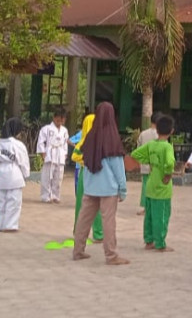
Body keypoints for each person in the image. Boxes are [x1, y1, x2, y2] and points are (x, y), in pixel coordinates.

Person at [73, 102, 129, 265]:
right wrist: (123, 189)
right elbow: (118, 168)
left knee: (84, 219)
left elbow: (84, 160)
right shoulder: (112, 138)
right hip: (108, 189)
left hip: (90, 187)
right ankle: (111, 255)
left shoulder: (90, 137)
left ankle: (78, 250)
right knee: (108, 222)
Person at [131, 114, 176, 252]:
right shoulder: (167, 147)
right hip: (162, 186)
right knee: (162, 215)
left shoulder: (151, 145)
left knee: (149, 215)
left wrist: (150, 162)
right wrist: (168, 173)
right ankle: (160, 243)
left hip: (150, 184)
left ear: (156, 130)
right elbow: (170, 162)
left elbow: (135, 154)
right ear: (171, 131)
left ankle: (148, 241)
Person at [71, 114, 103, 243]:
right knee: (98, 203)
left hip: (85, 173)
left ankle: (77, 231)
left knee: (81, 203)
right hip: (98, 174)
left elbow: (74, 156)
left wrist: (85, 161)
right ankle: (99, 233)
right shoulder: (101, 141)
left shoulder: (83, 141)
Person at [0, 118, 30, 232]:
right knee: (13, 201)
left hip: (1, 172)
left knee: (1, 201)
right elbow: (23, 161)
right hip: (14, 173)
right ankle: (10, 225)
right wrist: (25, 174)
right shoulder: (18, 145)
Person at [36, 108, 69, 203]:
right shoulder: (46, 129)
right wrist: (43, 153)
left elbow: (65, 143)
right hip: (50, 153)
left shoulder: (64, 130)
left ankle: (55, 196)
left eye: (62, 120)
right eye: (58, 120)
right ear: (54, 118)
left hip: (60, 153)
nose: (59, 122)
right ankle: (45, 196)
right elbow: (41, 141)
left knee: (58, 177)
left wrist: (65, 153)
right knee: (47, 176)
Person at [135, 112, 162, 216]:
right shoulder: (160, 135)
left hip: (145, 165)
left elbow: (138, 149)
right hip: (157, 166)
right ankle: (155, 208)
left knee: (146, 186)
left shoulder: (143, 134)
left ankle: (146, 207)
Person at [68, 129, 82, 195]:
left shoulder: (82, 133)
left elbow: (70, 140)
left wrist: (76, 146)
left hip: (80, 165)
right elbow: (69, 140)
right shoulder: (82, 133)